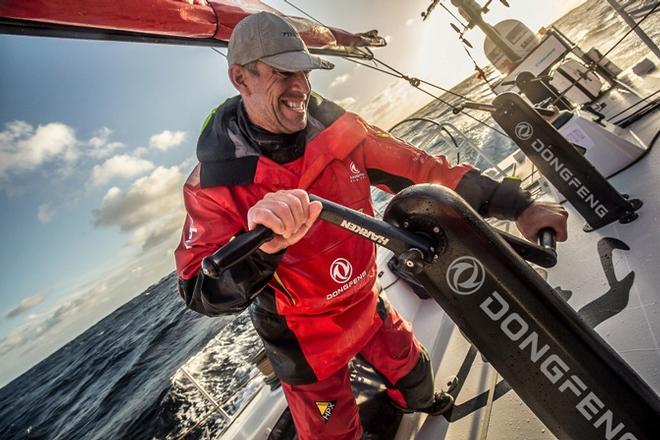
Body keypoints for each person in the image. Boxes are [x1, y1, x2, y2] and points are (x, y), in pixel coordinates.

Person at [174, 11, 568, 440]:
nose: (300, 87)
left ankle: (419, 404)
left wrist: (519, 205)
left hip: (366, 301)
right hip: (305, 340)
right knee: (331, 429)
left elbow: (424, 169)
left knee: (418, 378)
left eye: (304, 71)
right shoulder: (212, 186)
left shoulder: (342, 132)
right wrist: (263, 251)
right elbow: (200, 289)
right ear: (240, 78)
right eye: (283, 72)